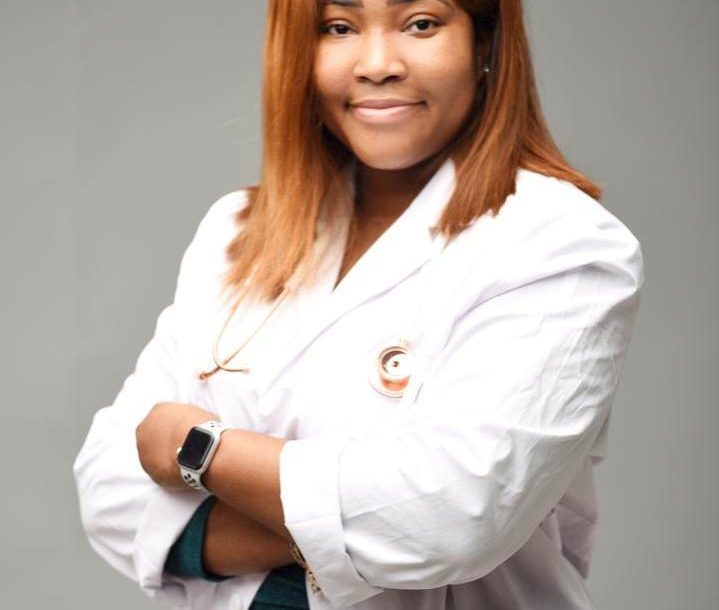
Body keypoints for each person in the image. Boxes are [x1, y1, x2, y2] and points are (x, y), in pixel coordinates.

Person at [73, 0, 644, 609]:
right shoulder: (234, 230)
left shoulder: (560, 242)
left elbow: (450, 518)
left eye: (420, 23)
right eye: (338, 28)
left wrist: (201, 450)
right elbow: (109, 493)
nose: (376, 64)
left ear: (483, 42)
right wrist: (343, 525)